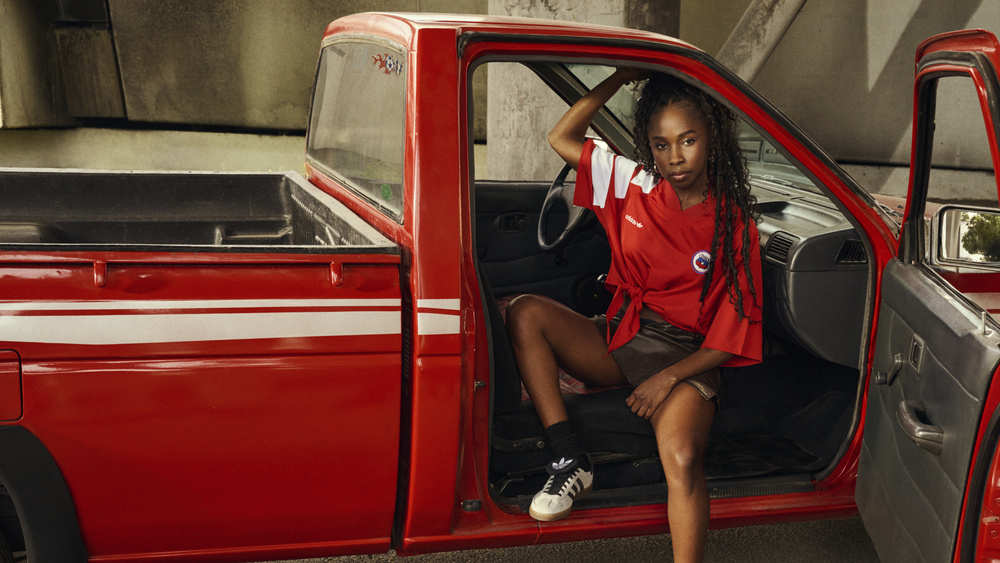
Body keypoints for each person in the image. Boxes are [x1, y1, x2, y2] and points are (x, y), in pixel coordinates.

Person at [504, 68, 763, 563]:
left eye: (687, 140)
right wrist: (618, 76)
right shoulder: (633, 182)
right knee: (524, 313)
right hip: (625, 335)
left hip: (688, 355)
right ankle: (568, 458)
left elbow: (729, 339)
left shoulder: (734, 223)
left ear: (711, 138)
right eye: (661, 144)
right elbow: (562, 136)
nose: (675, 157)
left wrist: (666, 379)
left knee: (683, 459)